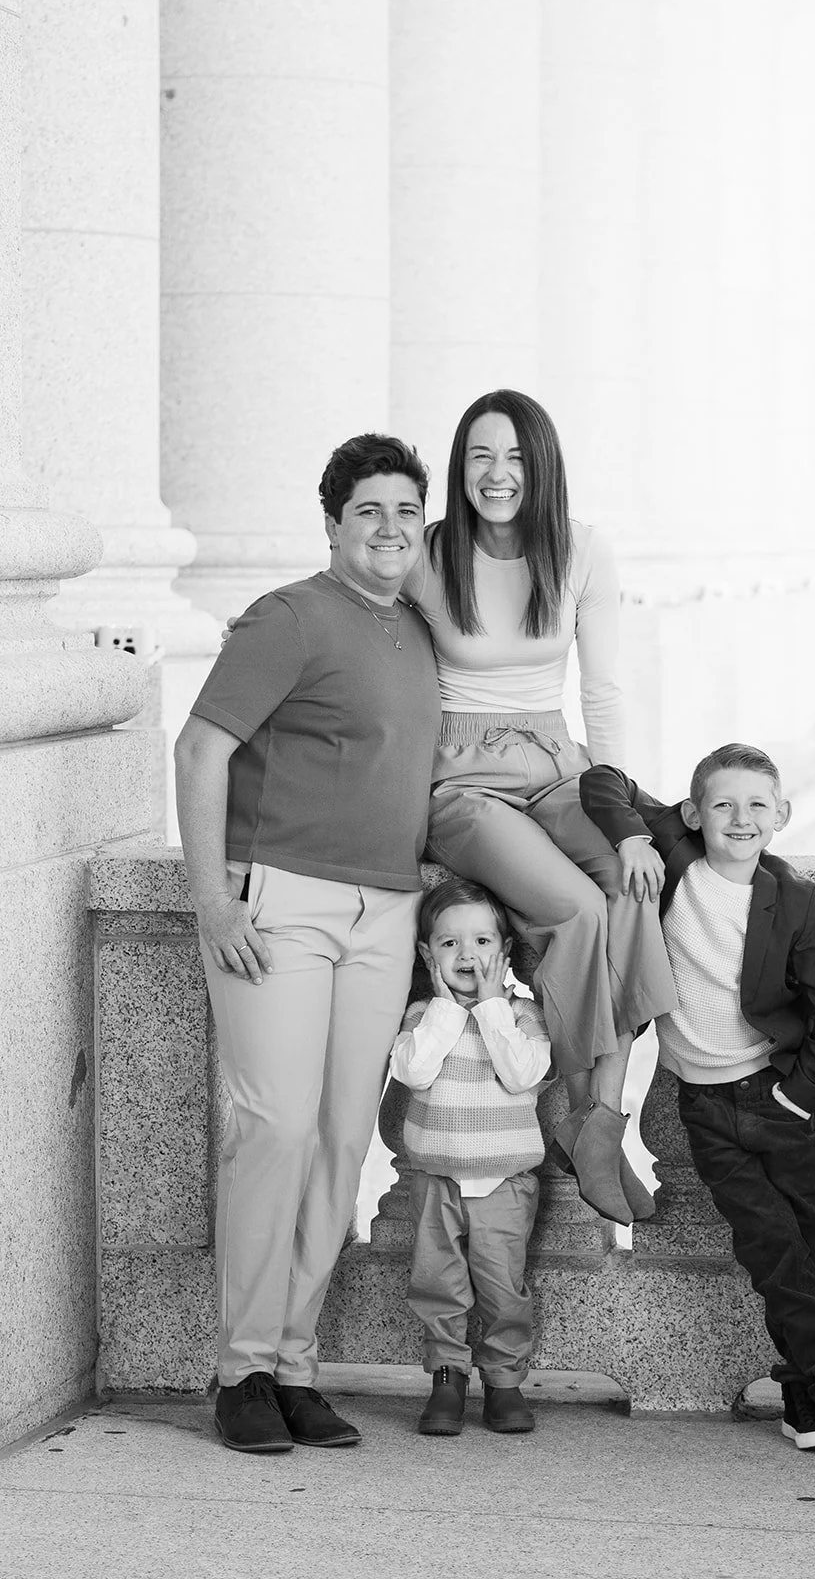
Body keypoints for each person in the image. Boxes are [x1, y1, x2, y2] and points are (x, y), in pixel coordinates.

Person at [174, 433, 440, 1454]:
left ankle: (294, 1367)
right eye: (369, 510)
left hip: (387, 913)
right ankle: (239, 1369)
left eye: (407, 511)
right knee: (275, 1128)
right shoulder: (287, 617)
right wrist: (213, 900)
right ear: (332, 524)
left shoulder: (417, 629)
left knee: (340, 1139)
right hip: (282, 903)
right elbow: (201, 748)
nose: (390, 529)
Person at [579, 743, 815, 1456]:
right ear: (694, 814)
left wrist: (799, 1098)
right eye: (723, 804)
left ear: (782, 814)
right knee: (772, 1248)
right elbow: (601, 781)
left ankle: (803, 1397)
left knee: (804, 1251)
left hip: (775, 1100)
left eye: (758, 804)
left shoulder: (793, 899)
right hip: (704, 1109)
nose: (740, 817)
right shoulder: (674, 856)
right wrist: (633, 838)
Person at [404, 389, 678, 1226]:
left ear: (544, 465)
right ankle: (580, 1111)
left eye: (517, 456)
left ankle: (601, 1118)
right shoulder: (428, 552)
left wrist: (625, 822)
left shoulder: (583, 550)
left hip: (558, 762)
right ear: (461, 468)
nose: (498, 474)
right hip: (462, 778)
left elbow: (603, 691)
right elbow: (355, 609)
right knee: (577, 909)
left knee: (631, 885)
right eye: (481, 456)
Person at [390, 878, 550, 1437]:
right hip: (436, 1179)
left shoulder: (522, 1015)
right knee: (438, 1284)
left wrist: (491, 1008)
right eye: (449, 943)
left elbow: (522, 1074)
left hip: (504, 1182)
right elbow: (412, 1071)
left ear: (505, 952)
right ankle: (447, 1379)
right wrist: (445, 1009)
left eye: (482, 942)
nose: (467, 955)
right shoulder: (422, 1015)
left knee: (503, 1286)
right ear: (426, 954)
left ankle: (504, 1382)